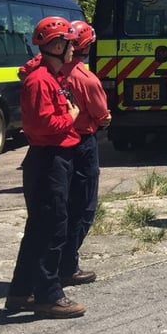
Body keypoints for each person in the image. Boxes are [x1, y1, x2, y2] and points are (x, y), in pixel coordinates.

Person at [5, 16, 85, 318]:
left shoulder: (50, 77)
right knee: (52, 229)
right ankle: (48, 294)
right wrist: (72, 117)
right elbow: (44, 124)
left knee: (39, 228)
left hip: (52, 159)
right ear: (56, 45)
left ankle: (20, 292)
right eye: (69, 44)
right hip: (49, 159)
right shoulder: (40, 81)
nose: (73, 50)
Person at [58, 21, 111, 287]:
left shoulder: (50, 72)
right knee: (84, 206)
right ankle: (68, 265)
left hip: (56, 144)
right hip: (83, 143)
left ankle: (56, 261)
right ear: (87, 47)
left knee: (62, 205)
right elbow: (102, 115)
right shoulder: (86, 79)